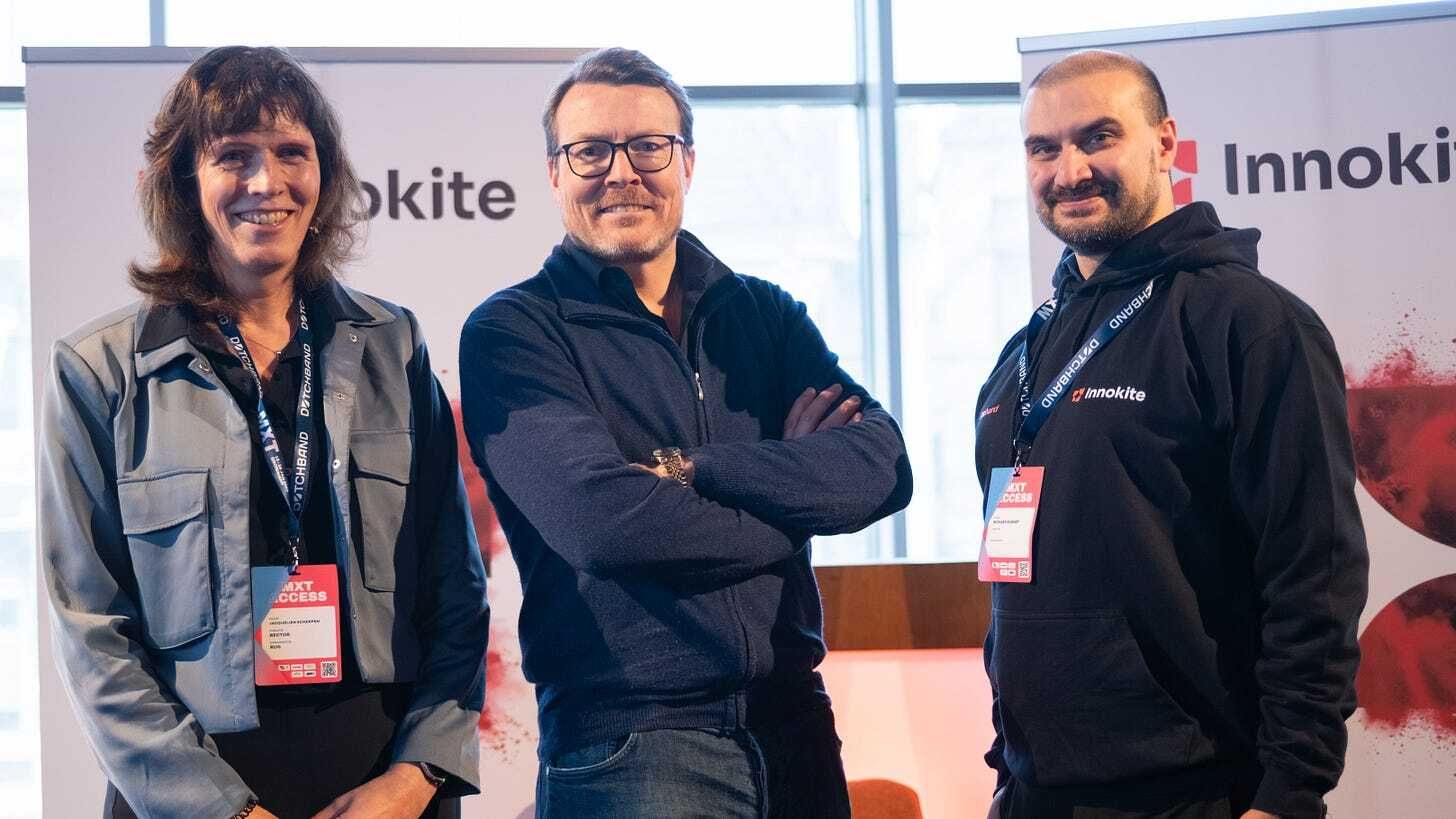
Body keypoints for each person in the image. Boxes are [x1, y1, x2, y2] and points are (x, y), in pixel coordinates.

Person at [459, 47, 912, 819]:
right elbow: (605, 527)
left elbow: (882, 467)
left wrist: (693, 469)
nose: (621, 171)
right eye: (591, 150)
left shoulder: (763, 314)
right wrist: (798, 500)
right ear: (554, 173)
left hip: (796, 727)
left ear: (689, 163)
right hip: (633, 750)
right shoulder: (515, 333)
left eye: (648, 146)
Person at [38, 46, 489, 819]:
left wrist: (416, 777)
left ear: (326, 177)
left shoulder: (394, 344)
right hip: (192, 793)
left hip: (384, 786)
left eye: (292, 153)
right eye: (233, 156)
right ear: (186, 179)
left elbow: (455, 586)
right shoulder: (101, 370)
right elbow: (92, 632)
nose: (266, 182)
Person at [973, 50, 1368, 819]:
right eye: (1043, 147)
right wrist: (1006, 765)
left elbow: (1313, 572)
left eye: (1098, 137)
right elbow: (1013, 575)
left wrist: (1289, 791)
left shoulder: (1252, 325)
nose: (1070, 169)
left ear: (1165, 144)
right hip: (1034, 792)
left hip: (1193, 791)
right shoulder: (1024, 356)